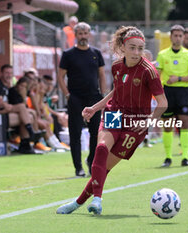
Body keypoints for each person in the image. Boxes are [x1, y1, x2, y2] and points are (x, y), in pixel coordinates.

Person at [56, 26, 167, 215]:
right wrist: (96, 107)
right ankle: (97, 200)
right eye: (132, 47)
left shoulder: (149, 71)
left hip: (135, 124)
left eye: (140, 48)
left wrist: (147, 122)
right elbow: (117, 91)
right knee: (100, 148)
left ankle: (77, 202)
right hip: (115, 113)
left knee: (104, 167)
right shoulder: (116, 66)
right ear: (123, 47)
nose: (136, 52)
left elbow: (163, 103)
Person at [58, 22, 107, 177]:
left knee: (95, 133)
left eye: (86, 33)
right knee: (75, 133)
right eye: (80, 33)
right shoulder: (68, 54)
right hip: (76, 98)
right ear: (75, 34)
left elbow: (102, 75)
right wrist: (67, 95)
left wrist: (103, 96)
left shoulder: (96, 53)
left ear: (89, 34)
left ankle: (91, 161)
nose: (83, 36)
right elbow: (60, 77)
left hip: (93, 97)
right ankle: (78, 167)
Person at [156, 25, 188, 167]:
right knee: (167, 125)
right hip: (167, 92)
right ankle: (167, 158)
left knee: (185, 123)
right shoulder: (162, 55)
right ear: (171, 37)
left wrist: (178, 79)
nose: (178, 38)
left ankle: (185, 157)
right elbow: (157, 75)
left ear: (183, 37)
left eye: (180, 36)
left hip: (183, 93)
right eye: (175, 35)